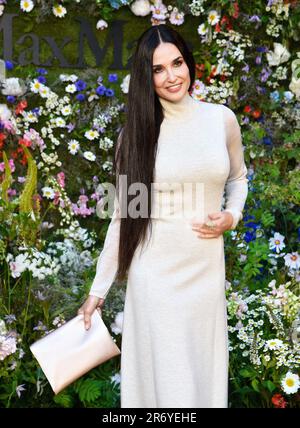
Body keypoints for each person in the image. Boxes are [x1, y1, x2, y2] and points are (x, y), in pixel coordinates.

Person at [78, 24, 248, 408]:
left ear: (188, 63)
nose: (172, 76)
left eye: (177, 63)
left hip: (204, 275)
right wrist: (97, 292)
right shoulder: (135, 136)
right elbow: (123, 217)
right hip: (155, 277)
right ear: (146, 77)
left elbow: (238, 179)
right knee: (164, 389)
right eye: (158, 69)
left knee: (202, 381)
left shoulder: (221, 119)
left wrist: (231, 217)